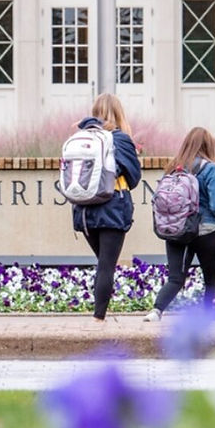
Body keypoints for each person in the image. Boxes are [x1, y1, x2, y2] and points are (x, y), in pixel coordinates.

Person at [72, 94, 142, 322]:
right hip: (112, 208)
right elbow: (133, 176)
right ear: (118, 113)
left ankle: (99, 313)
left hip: (83, 210)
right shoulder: (119, 138)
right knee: (106, 266)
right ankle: (98, 317)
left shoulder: (81, 136)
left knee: (103, 263)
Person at [144, 127, 215, 322]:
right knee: (211, 280)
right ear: (208, 146)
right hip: (206, 231)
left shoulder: (173, 167)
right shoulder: (211, 168)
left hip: (177, 230)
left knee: (175, 278)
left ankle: (156, 311)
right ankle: (208, 320)